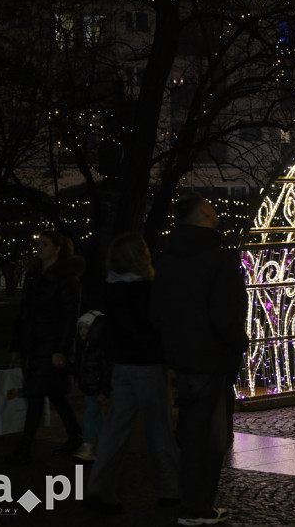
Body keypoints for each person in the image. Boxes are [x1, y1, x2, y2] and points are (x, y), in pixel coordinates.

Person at [150, 193, 248, 526]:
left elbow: (157, 311)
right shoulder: (219, 260)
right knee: (210, 439)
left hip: (180, 357)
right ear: (200, 219)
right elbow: (225, 316)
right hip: (212, 357)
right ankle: (197, 507)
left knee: (191, 431)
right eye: (211, 215)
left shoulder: (166, 260)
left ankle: (191, 502)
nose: (217, 219)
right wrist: (239, 343)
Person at [85, 233, 180, 515]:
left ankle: (99, 489)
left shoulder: (111, 289)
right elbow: (159, 325)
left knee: (115, 428)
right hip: (148, 365)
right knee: (160, 428)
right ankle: (170, 489)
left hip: (122, 365)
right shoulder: (148, 290)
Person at [6, 229, 84, 465]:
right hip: (34, 343)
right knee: (55, 394)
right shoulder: (34, 276)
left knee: (37, 394)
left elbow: (70, 317)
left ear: (57, 249)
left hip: (49, 345)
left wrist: (61, 349)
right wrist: (17, 344)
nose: (39, 247)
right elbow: (24, 313)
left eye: (45, 244)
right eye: (38, 243)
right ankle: (75, 436)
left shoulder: (66, 279)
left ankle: (24, 447)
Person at [74, 310, 110, 462]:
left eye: (86, 328)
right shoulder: (86, 347)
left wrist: (104, 390)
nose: (83, 331)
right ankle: (107, 448)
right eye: (81, 327)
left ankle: (87, 447)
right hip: (89, 389)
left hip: (95, 390)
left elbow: (106, 371)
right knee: (97, 419)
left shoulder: (99, 349)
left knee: (89, 416)